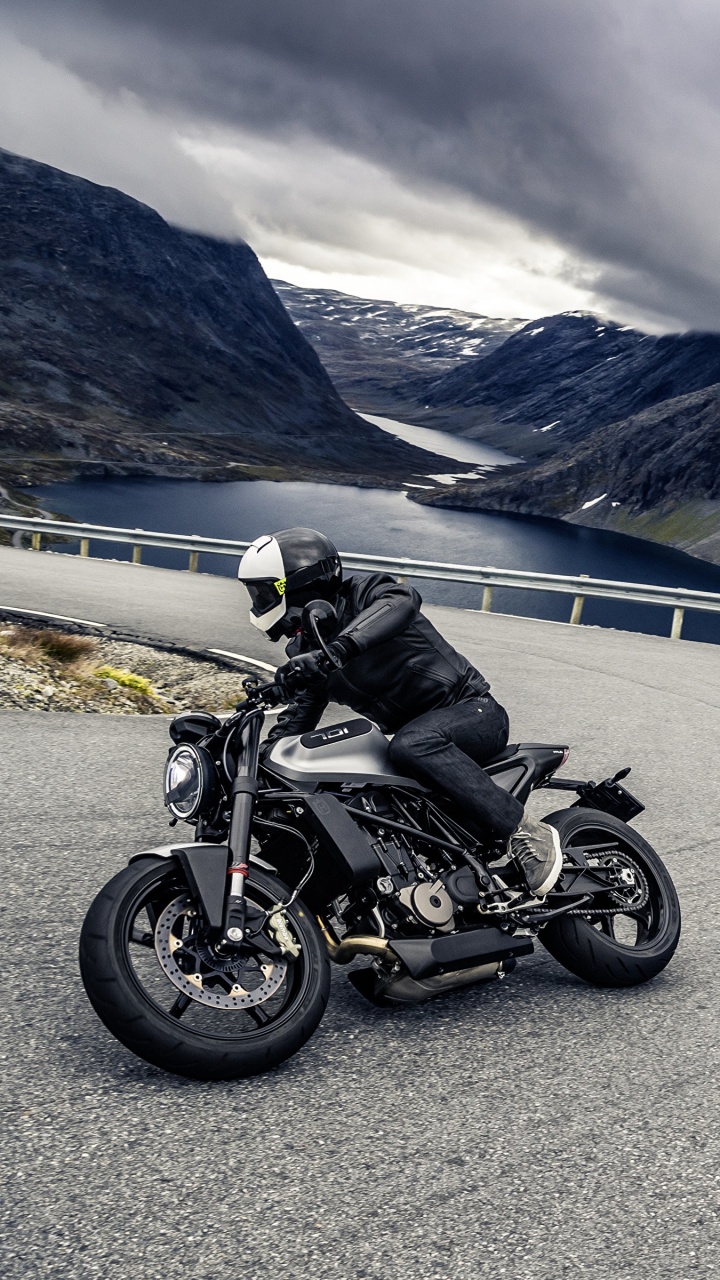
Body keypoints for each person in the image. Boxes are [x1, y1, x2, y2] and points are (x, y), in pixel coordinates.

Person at [237, 527, 562, 897]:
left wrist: (341, 649)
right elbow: (300, 718)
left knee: (412, 743)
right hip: (413, 742)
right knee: (348, 786)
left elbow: (403, 601)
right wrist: (261, 761)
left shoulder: (367, 593)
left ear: (297, 583)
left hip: (473, 713)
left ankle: (525, 831)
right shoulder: (305, 650)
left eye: (264, 591)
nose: (258, 600)